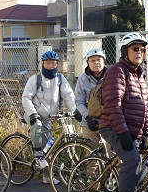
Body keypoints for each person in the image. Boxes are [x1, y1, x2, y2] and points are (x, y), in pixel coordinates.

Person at [99, 32, 148, 192]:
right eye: (135, 49)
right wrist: (122, 132)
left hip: (132, 130)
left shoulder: (140, 74)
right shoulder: (117, 71)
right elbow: (112, 105)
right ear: (125, 52)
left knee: (147, 163)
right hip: (113, 126)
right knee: (133, 160)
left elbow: (145, 107)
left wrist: (146, 132)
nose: (140, 52)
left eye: (142, 49)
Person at [21, 50, 76, 184]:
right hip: (33, 114)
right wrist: (33, 114)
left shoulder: (60, 79)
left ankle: (47, 176)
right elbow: (26, 98)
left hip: (48, 117)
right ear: (43, 64)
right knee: (38, 126)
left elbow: (68, 95)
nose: (51, 66)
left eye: (53, 63)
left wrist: (75, 110)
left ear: (57, 64)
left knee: (49, 146)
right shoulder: (35, 79)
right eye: (48, 63)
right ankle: (37, 154)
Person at [74, 48, 107, 146]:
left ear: (104, 61)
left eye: (99, 60)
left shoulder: (112, 76)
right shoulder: (82, 78)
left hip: (108, 122)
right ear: (87, 62)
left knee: (113, 154)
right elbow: (79, 101)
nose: (96, 63)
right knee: (92, 154)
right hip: (89, 122)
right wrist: (88, 117)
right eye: (92, 60)